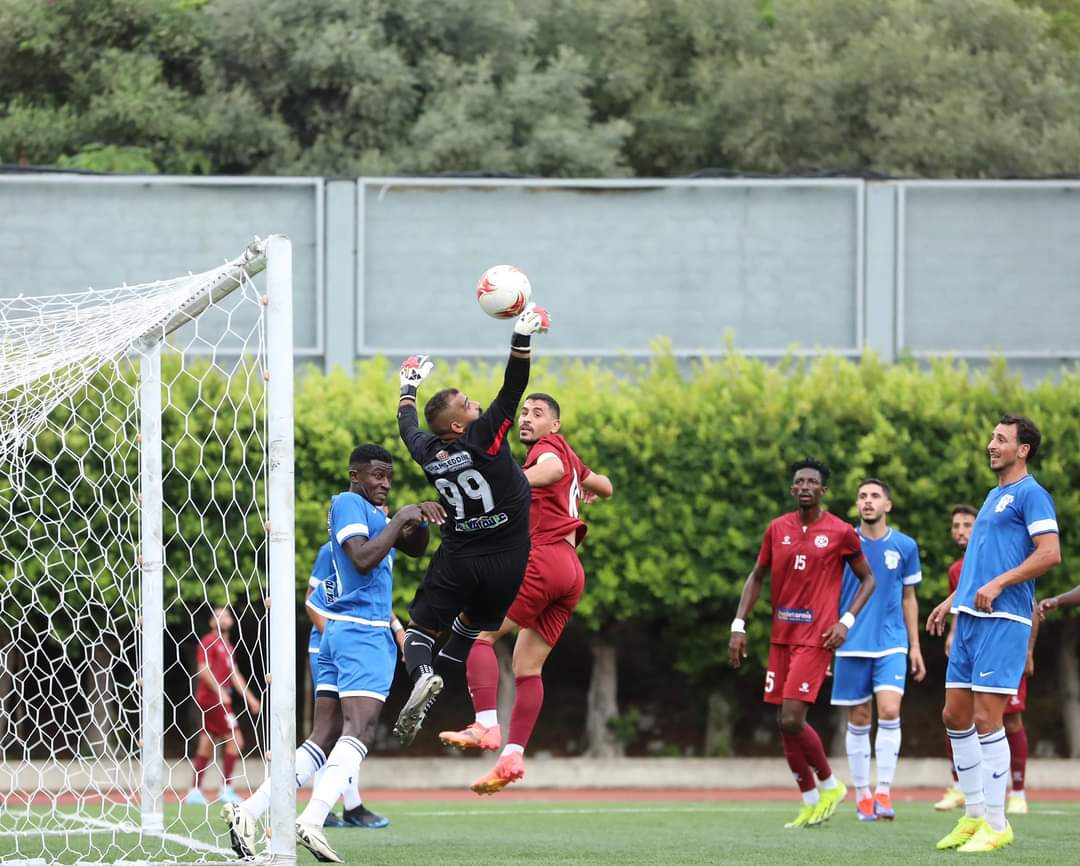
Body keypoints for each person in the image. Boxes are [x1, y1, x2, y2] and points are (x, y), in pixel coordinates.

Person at [223, 443, 441, 863]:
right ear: (355, 475)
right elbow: (361, 559)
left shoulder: (375, 515)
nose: (385, 483)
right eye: (377, 475)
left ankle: (249, 811)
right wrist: (402, 516)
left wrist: (421, 519)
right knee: (360, 729)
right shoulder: (347, 503)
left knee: (323, 736)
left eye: (389, 476)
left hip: (342, 634)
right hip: (361, 633)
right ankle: (314, 818)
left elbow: (413, 547)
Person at [438, 392, 613, 794]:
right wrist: (584, 488)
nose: (526, 419)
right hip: (570, 571)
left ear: (555, 425)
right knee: (527, 667)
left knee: (477, 633)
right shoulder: (571, 455)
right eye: (523, 413)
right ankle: (513, 755)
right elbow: (605, 486)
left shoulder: (548, 450)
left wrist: (510, 482)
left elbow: (551, 469)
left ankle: (485, 724)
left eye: (537, 413)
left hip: (544, 558)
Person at [392, 302, 550, 746]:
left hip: (460, 555)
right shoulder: (484, 437)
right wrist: (521, 338)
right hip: (508, 560)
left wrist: (408, 386)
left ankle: (422, 676)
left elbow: (407, 427)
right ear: (459, 425)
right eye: (466, 404)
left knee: (421, 630)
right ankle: (435, 689)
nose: (475, 402)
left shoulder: (428, 452)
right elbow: (513, 385)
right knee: (469, 628)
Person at [926, 414, 1060, 853]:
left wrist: (1000, 583)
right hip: (970, 617)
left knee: (988, 719)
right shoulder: (992, 495)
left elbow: (1050, 553)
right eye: (991, 437)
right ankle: (973, 816)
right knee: (954, 715)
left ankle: (998, 824)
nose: (991, 444)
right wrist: (952, 600)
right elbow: (980, 561)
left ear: (1023, 449)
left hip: (1005, 620)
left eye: (1001, 439)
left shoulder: (1031, 494)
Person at [729, 459, 876, 829]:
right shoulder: (777, 528)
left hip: (816, 637)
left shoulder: (841, 532)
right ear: (793, 489)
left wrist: (845, 621)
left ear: (823, 491)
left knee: (793, 718)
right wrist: (739, 624)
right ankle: (810, 800)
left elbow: (868, 580)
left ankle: (830, 784)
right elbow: (757, 576)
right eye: (800, 482)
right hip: (781, 636)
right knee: (785, 723)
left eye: (813, 482)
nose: (805, 487)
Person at [831, 479, 925, 821]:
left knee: (889, 710)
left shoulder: (905, 545)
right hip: (851, 642)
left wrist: (915, 646)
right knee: (859, 717)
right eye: (862, 496)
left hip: (891, 641)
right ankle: (862, 795)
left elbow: (909, 598)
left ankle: (884, 791)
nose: (867, 501)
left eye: (874, 496)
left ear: (888, 505)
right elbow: (829, 593)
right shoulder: (843, 542)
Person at [303, 542, 394, 829]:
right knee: (333, 728)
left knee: (352, 727)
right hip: (331, 645)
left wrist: (399, 630)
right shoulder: (330, 550)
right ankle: (326, 807)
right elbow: (312, 599)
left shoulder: (386, 548)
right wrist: (336, 637)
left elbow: (375, 597)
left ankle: (349, 805)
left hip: (358, 642)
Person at [185, 606, 260, 806]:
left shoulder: (229, 646)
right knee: (236, 739)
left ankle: (194, 791)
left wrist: (250, 698)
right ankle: (225, 789)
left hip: (219, 699)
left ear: (232, 621)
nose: (222, 619)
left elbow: (235, 674)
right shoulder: (208, 641)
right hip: (212, 699)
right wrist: (219, 691)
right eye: (218, 616)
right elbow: (203, 669)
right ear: (212, 622)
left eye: (226, 616)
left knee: (207, 742)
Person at [934, 504, 977, 812]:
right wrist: (952, 633)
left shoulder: (996, 558)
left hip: (994, 647)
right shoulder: (954, 570)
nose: (960, 531)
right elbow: (959, 607)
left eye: (967, 525)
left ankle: (1013, 792)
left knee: (994, 719)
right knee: (953, 714)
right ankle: (960, 785)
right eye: (956, 526)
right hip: (966, 647)